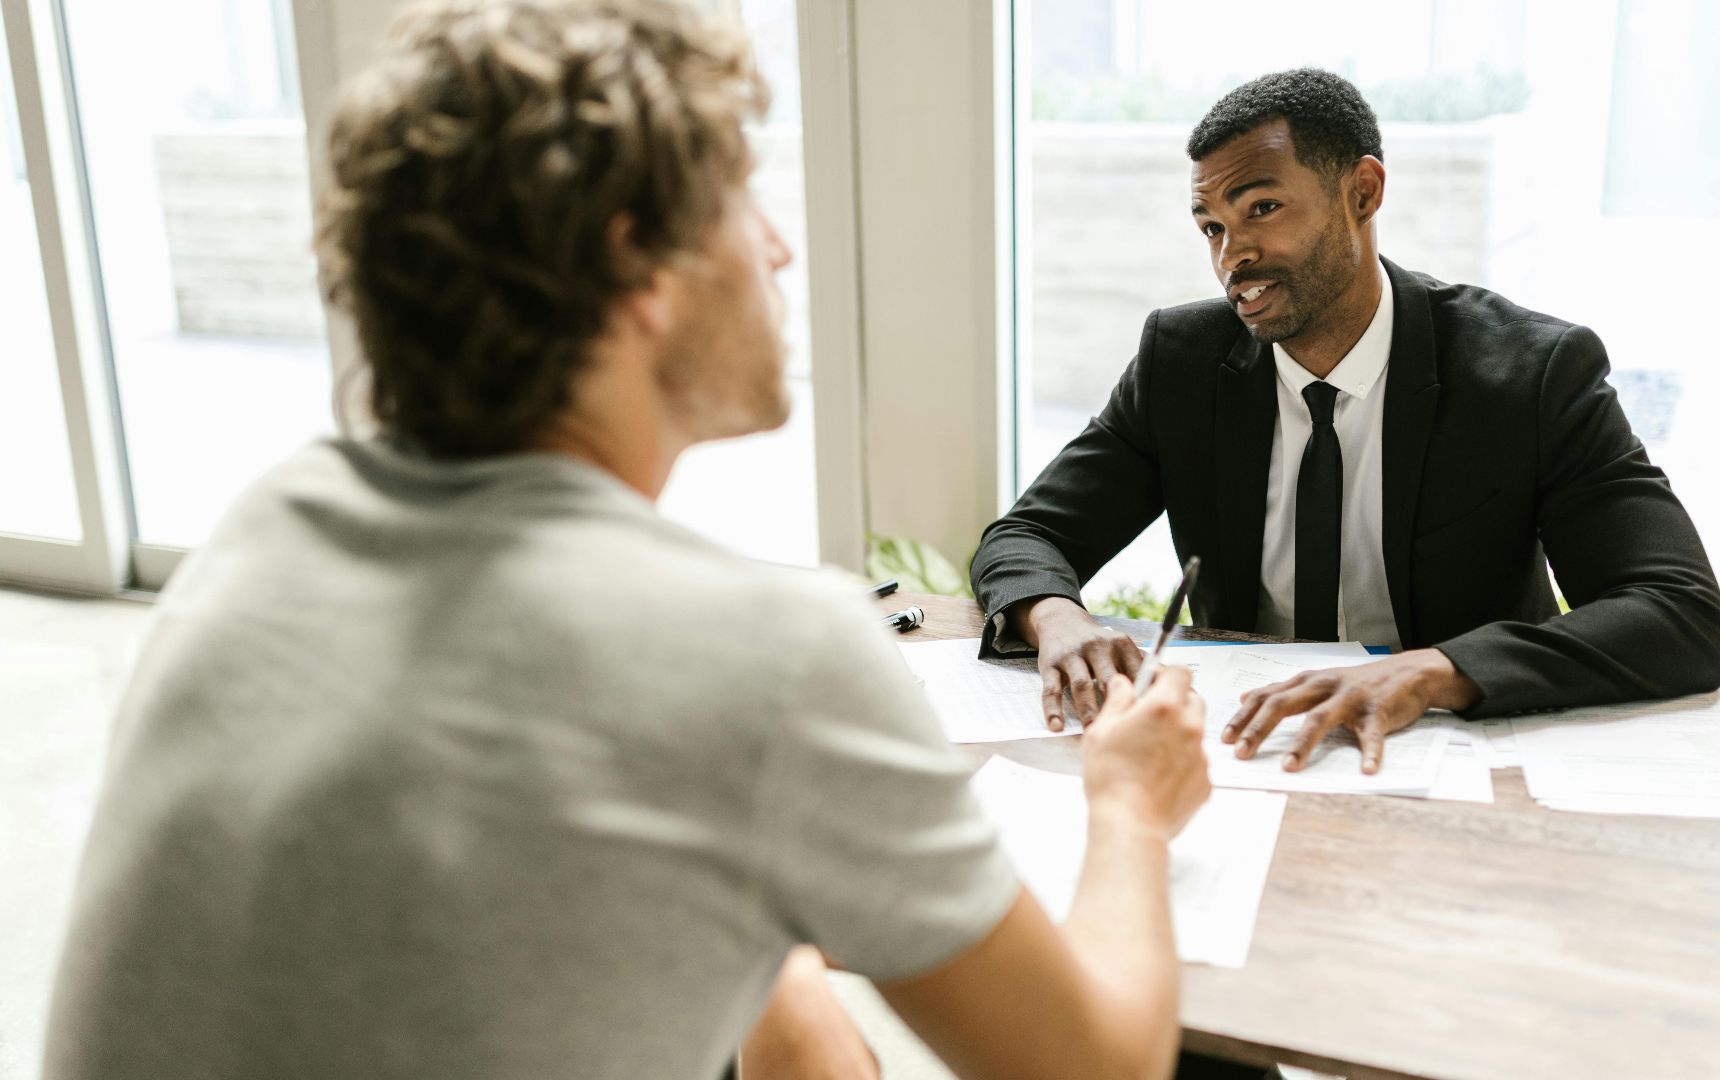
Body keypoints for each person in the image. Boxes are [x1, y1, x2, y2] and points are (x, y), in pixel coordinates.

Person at [39, 3, 1216, 1078]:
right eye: (743, 198)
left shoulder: (264, 530)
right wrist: (1128, 808)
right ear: (635, 266)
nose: (777, 250)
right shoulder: (768, 654)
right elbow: (1098, 1067)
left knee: (784, 987)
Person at [971, 68, 1720, 774]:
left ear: (1361, 193)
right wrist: (1056, 617)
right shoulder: (1183, 362)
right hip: (1248, 754)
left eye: (1262, 208)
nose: (1233, 256)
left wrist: (1437, 669)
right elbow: (1027, 537)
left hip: (1452, 756)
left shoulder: (1530, 373)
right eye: (1212, 226)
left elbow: (1677, 613)